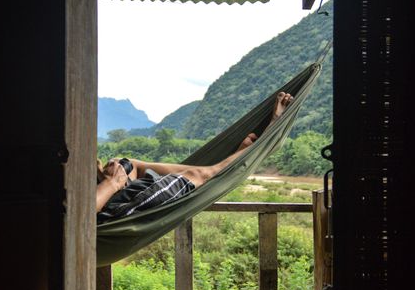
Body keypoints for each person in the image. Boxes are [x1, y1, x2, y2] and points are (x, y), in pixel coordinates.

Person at [96, 92, 294, 223]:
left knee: (129, 164)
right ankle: (262, 144)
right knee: (199, 176)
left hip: (102, 197)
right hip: (104, 215)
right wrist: (111, 183)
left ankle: (225, 162)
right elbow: (76, 215)